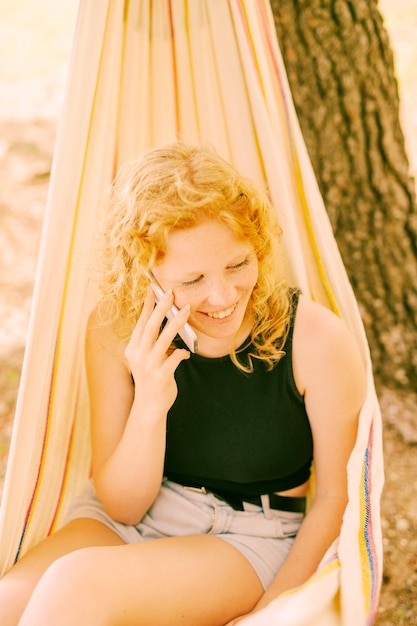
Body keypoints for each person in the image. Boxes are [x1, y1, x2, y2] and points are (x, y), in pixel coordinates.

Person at [0, 142, 366, 625]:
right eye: (191, 279)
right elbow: (124, 506)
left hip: (249, 533)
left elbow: (336, 500)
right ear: (144, 275)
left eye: (238, 265)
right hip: (130, 517)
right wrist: (151, 399)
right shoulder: (113, 330)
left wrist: (269, 612)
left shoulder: (315, 340)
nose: (222, 296)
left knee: (75, 587)